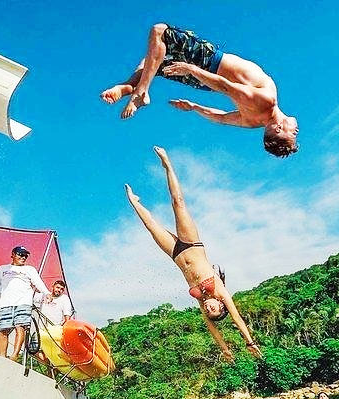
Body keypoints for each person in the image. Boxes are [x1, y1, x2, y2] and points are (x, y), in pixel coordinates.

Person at [125, 146, 262, 362]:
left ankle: (134, 201)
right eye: (214, 309)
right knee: (178, 203)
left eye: (209, 312)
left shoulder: (202, 302)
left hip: (176, 254)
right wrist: (249, 342)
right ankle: (167, 164)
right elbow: (237, 319)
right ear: (221, 305)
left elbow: (213, 330)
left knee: (151, 227)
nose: (209, 309)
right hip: (191, 245)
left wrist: (225, 349)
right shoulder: (221, 291)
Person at [100, 23, 299, 157]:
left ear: (278, 128)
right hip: (206, 82)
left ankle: (140, 92)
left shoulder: (266, 102)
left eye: (293, 133)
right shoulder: (252, 122)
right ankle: (128, 86)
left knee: (160, 31)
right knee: (152, 64)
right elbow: (221, 117)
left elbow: (226, 86)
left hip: (209, 64)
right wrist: (194, 107)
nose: (296, 130)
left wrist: (192, 69)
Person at [0, 246, 52, 361]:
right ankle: (2, 358)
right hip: (5, 304)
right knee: (3, 331)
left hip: (23, 303)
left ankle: (14, 355)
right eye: (20, 254)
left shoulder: (30, 269)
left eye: (25, 255)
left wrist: (46, 292)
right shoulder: (2, 269)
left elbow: (38, 282)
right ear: (13, 254)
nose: (23, 257)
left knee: (20, 328)